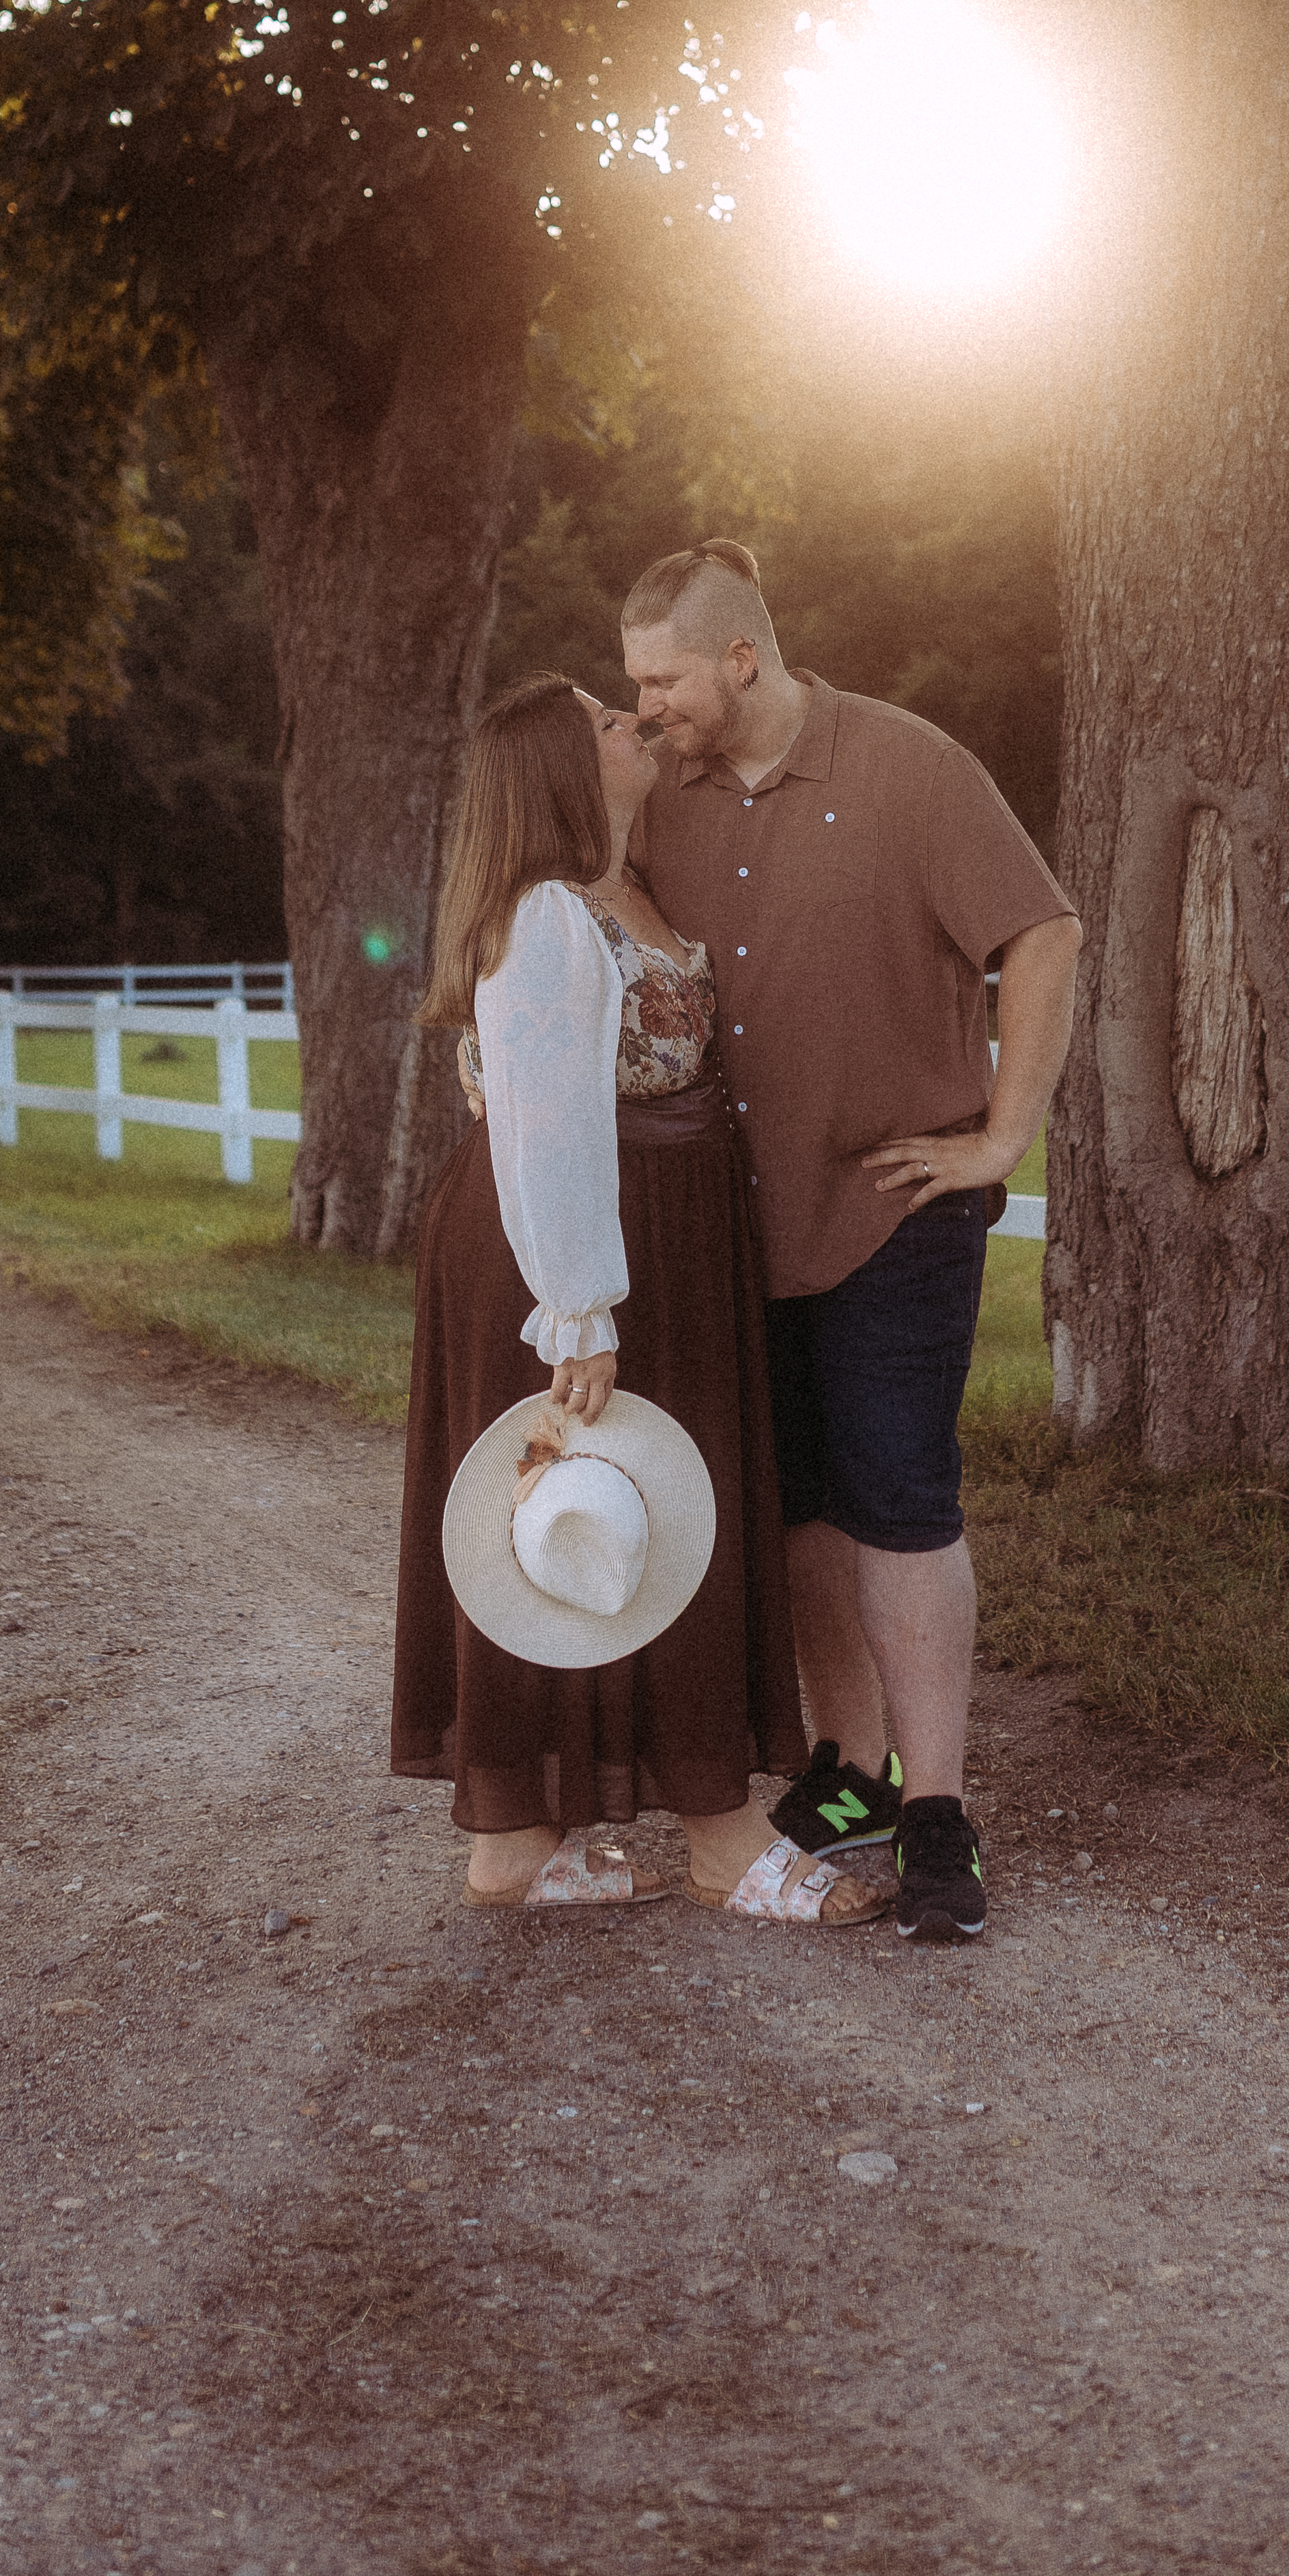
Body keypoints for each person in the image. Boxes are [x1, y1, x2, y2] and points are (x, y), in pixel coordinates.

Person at [625, 542, 1080, 1945]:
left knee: (899, 1502)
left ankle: (937, 1813)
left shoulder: (909, 768)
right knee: (800, 1508)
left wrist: (999, 1138)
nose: (643, 710)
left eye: (661, 681)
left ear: (740, 661)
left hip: (894, 1209)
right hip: (734, 1226)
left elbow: (1041, 933)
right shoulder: (663, 800)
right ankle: (852, 1775)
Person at [391, 673, 874, 1921]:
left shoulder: (620, 885)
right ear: (562, 770)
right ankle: (721, 1844)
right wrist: (581, 1310)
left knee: (613, 1501)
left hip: (645, 1234)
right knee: (636, 1506)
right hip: (585, 1247)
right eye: (609, 720)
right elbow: (545, 1121)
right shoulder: (547, 911)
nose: (634, 724)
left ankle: (522, 1847)